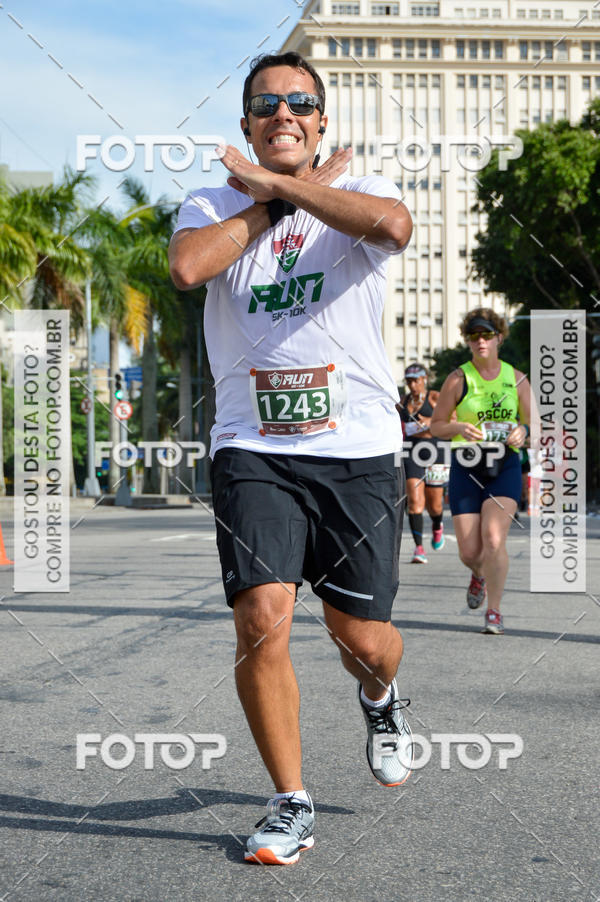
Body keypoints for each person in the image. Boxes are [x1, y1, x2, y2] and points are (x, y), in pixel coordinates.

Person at [169, 51, 414, 865]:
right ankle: (289, 801)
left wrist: (293, 190)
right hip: (254, 449)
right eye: (267, 103)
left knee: (363, 638)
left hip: (359, 451)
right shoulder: (210, 201)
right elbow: (190, 267)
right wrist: (268, 204)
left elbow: (395, 228)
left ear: (319, 124)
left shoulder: (352, 199)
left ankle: (380, 698)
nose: (283, 113)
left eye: (299, 102)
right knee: (261, 618)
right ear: (246, 124)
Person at [430, 309, 531, 635]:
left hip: (504, 465)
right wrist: (458, 425)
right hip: (467, 467)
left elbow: (535, 424)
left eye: (487, 334)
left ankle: (494, 611)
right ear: (468, 341)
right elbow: (437, 426)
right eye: (474, 336)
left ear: (499, 337)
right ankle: (479, 574)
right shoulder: (459, 378)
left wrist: (524, 432)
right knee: (470, 552)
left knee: (493, 537)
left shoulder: (516, 378)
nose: (481, 341)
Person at [397, 363, 447, 563]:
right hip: (411, 452)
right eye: (409, 381)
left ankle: (437, 525)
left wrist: (431, 422)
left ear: (424, 379)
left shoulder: (434, 397)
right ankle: (419, 548)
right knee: (415, 502)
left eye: (416, 380)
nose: (412, 385)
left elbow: (453, 417)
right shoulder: (403, 402)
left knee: (435, 505)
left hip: (436, 450)